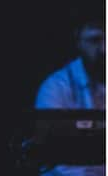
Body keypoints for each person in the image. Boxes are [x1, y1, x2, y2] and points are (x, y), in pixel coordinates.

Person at [34, 19, 106, 176]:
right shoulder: (55, 87)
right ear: (78, 42)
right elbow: (52, 158)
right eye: (95, 40)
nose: (104, 49)